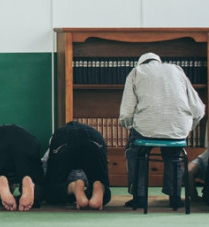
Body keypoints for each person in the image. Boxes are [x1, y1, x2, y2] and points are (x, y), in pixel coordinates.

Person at [119, 52, 206, 209]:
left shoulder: (136, 72)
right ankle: (174, 198)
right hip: (177, 129)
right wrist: (186, 129)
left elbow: (126, 113)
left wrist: (130, 126)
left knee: (134, 153)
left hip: (145, 128)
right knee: (173, 155)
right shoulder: (177, 70)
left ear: (140, 63)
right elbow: (199, 109)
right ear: (159, 62)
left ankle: (139, 197)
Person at [42, 120, 111, 210]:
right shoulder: (93, 132)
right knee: (102, 182)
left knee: (51, 192)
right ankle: (99, 186)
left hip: (64, 139)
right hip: (94, 138)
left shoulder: (59, 136)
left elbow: (45, 166)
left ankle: (73, 187)